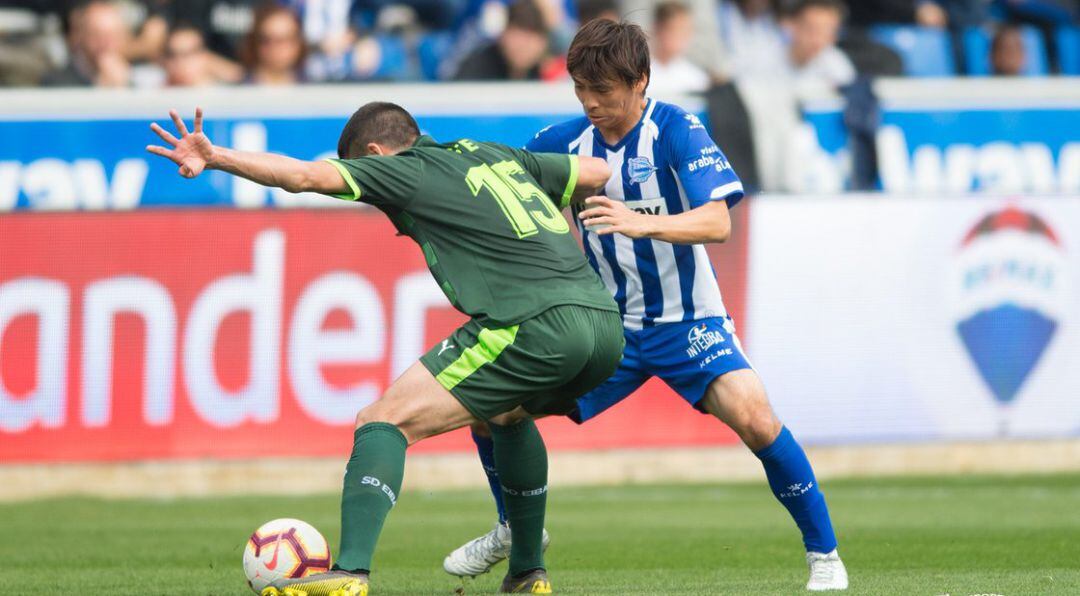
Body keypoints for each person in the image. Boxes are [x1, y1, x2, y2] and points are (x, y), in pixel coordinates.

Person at [146, 102, 621, 595]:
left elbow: (303, 176)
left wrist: (217, 157)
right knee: (504, 414)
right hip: (604, 325)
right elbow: (595, 171)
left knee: (382, 421)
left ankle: (351, 573)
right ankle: (526, 573)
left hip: (533, 324)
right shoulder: (493, 154)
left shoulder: (405, 169)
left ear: (374, 154)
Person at [442, 18, 849, 592]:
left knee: (757, 418)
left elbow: (718, 223)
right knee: (497, 410)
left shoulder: (677, 129)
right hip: (606, 328)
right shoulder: (562, 142)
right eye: (580, 89)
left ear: (640, 81)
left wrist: (639, 222)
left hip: (690, 322)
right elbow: (509, 200)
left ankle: (825, 556)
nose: (590, 102)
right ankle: (512, 527)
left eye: (602, 90)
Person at [453, 0, 551, 81]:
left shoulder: (546, 73)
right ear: (503, 34)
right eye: (517, 38)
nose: (523, 46)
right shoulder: (476, 67)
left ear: (543, 43)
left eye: (529, 40)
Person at [42, 0, 132, 87]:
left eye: (113, 36)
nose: (106, 43)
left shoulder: (132, 81)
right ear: (80, 36)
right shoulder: (56, 83)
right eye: (97, 35)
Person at [786, 0, 857, 91]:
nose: (816, 39)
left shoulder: (839, 67)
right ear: (791, 26)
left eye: (826, 32)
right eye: (810, 29)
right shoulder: (770, 57)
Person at [648, 1, 711, 95]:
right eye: (673, 29)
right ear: (657, 28)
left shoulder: (697, 78)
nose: (680, 37)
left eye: (685, 31)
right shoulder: (637, 74)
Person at [240, 4, 306, 85]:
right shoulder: (237, 88)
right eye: (266, 39)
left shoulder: (313, 87)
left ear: (298, 43)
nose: (274, 47)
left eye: (282, 40)